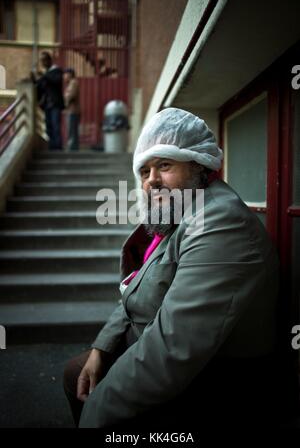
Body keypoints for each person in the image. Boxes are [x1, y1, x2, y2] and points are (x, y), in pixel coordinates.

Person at [64, 108, 281, 430]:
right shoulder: (179, 214)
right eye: (145, 170)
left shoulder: (219, 223)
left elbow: (173, 349)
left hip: (216, 380)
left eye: (164, 165)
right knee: (77, 371)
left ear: (199, 166)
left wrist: (96, 416)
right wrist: (102, 347)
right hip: (163, 348)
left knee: (88, 391)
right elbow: (138, 285)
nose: (152, 180)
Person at [31, 51, 64, 150]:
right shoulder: (46, 74)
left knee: (55, 125)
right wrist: (33, 79)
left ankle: (58, 147)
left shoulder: (57, 70)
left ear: (49, 60)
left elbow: (56, 81)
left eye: (44, 60)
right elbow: (39, 86)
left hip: (55, 104)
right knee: (48, 127)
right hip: (47, 105)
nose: (43, 63)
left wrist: (44, 75)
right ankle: (52, 146)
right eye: (41, 61)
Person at [63, 68, 80, 151]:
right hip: (72, 111)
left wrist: (65, 104)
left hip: (72, 111)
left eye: (65, 74)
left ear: (69, 74)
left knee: (71, 130)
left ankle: (72, 149)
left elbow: (71, 96)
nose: (64, 77)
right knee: (73, 130)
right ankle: (73, 148)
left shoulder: (73, 83)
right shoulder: (72, 83)